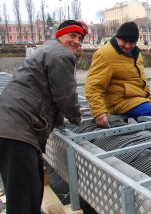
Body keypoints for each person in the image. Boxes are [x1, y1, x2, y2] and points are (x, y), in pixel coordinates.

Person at [0, 20, 86, 214]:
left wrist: (59, 121)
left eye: (80, 38)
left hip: (10, 124)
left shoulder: (46, 49)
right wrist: (77, 118)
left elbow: (50, 97)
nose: (77, 41)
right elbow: (66, 95)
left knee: (26, 190)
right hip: (19, 129)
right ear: (60, 35)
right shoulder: (62, 54)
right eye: (72, 36)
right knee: (24, 200)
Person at [85, 21, 151, 137]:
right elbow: (93, 86)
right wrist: (98, 112)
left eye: (131, 43)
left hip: (134, 99)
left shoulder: (136, 53)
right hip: (118, 101)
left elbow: (142, 80)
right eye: (124, 42)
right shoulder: (105, 54)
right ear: (117, 38)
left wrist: (149, 100)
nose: (127, 46)